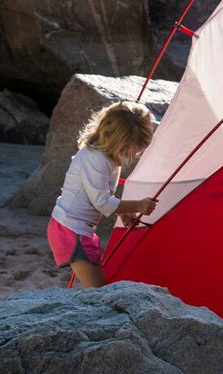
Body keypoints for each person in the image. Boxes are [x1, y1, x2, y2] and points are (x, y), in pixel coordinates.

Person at [47, 101, 158, 289]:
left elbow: (100, 194)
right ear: (115, 140)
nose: (131, 157)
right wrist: (137, 205)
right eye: (128, 151)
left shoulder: (106, 156)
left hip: (81, 229)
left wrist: (121, 211)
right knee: (96, 286)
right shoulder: (96, 159)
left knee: (96, 282)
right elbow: (102, 202)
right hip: (70, 229)